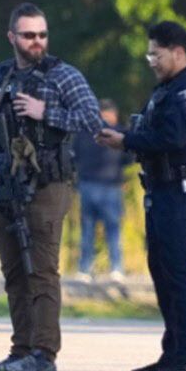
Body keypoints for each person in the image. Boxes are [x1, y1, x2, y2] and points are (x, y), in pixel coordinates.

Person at [0, 2, 103, 371]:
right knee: (14, 272)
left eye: (42, 34)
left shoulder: (63, 76)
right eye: (29, 35)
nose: (37, 41)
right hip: (6, 183)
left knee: (42, 270)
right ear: (12, 37)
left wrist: (44, 111)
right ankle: (21, 349)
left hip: (47, 182)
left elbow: (92, 120)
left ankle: (44, 354)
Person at [96, 21, 186, 371]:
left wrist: (126, 141)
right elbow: (152, 131)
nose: (151, 61)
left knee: (178, 271)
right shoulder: (168, 88)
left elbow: (172, 138)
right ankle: (173, 353)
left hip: (182, 190)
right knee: (162, 269)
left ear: (178, 52)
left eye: (156, 54)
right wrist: (125, 135)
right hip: (162, 189)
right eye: (149, 54)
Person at [73, 98, 132, 283]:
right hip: (111, 185)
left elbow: (74, 156)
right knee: (113, 229)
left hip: (88, 184)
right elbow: (128, 158)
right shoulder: (119, 132)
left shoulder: (84, 132)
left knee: (88, 230)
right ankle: (116, 268)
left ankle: (84, 269)